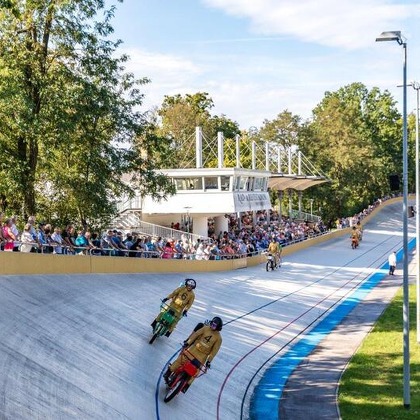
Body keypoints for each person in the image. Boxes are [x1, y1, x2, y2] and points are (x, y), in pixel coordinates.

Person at [163, 316, 223, 392]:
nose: (212, 326)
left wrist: (209, 361)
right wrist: (188, 342)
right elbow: (196, 334)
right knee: (181, 360)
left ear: (218, 327)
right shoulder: (205, 328)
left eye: (214, 326)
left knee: (195, 371)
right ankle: (169, 372)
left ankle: (186, 385)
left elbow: (214, 351)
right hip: (193, 349)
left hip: (202, 356)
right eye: (212, 324)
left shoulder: (218, 338)